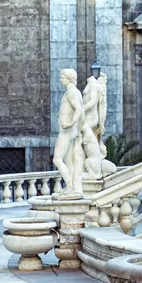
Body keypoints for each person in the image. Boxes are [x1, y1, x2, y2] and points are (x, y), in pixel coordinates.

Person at [52, 69, 85, 199]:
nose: (61, 79)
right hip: (71, 131)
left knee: (57, 159)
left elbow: (78, 109)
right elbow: (81, 113)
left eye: (62, 77)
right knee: (68, 161)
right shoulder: (76, 92)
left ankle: (70, 187)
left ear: (68, 78)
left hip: (67, 131)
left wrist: (71, 123)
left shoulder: (71, 92)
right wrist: (78, 129)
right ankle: (70, 187)